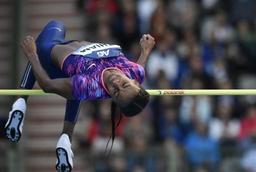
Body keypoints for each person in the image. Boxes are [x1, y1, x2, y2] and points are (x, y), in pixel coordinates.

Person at [4, 20, 155, 171]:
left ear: (113, 99)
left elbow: (47, 84)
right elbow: (140, 68)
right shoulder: (135, 72)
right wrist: (145, 51)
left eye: (115, 92)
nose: (116, 83)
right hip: (73, 68)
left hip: (48, 54)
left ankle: (21, 103)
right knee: (76, 91)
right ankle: (65, 138)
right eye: (124, 84)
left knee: (57, 26)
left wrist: (32, 55)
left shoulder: (91, 84)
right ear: (134, 81)